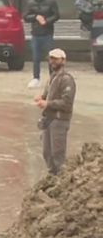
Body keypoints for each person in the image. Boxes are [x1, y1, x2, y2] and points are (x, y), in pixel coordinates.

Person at [35, 48, 75, 176]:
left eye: (56, 59)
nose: (52, 61)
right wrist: (41, 97)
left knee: (58, 154)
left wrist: (47, 103)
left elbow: (67, 103)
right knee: (47, 153)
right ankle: (52, 178)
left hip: (60, 120)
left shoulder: (67, 79)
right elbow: (47, 95)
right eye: (51, 58)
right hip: (49, 119)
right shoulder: (52, 77)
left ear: (63, 60)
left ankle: (61, 180)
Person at [24, 0, 59, 89]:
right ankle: (36, 78)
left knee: (51, 58)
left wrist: (47, 21)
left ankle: (52, 78)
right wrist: (35, 17)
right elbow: (25, 17)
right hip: (35, 34)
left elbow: (56, 15)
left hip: (47, 33)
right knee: (36, 57)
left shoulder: (51, 1)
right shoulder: (30, 2)